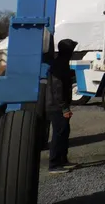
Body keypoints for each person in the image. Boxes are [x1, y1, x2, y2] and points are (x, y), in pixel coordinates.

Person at [45, 38, 78, 173]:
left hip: (58, 105)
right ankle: (54, 164)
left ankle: (63, 160)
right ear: (68, 51)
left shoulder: (62, 63)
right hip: (56, 106)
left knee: (64, 133)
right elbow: (57, 89)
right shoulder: (60, 65)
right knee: (59, 134)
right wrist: (64, 108)